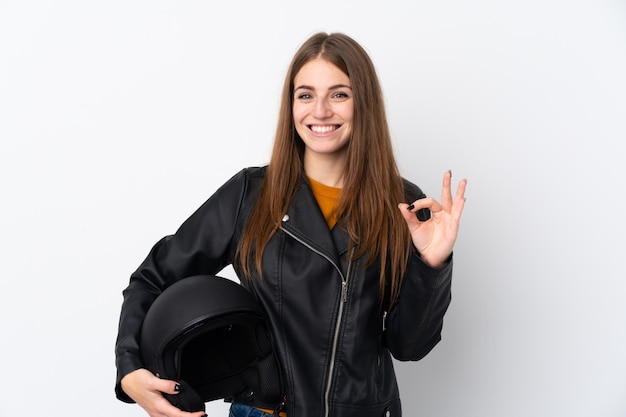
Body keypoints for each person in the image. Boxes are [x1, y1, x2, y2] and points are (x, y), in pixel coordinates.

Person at [115, 31, 467, 417]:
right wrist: (130, 368)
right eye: (305, 95)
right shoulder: (250, 195)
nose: (319, 111)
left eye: (339, 94)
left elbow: (409, 346)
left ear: (363, 102)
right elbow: (152, 278)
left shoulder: (402, 203)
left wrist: (430, 266)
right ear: (291, 105)